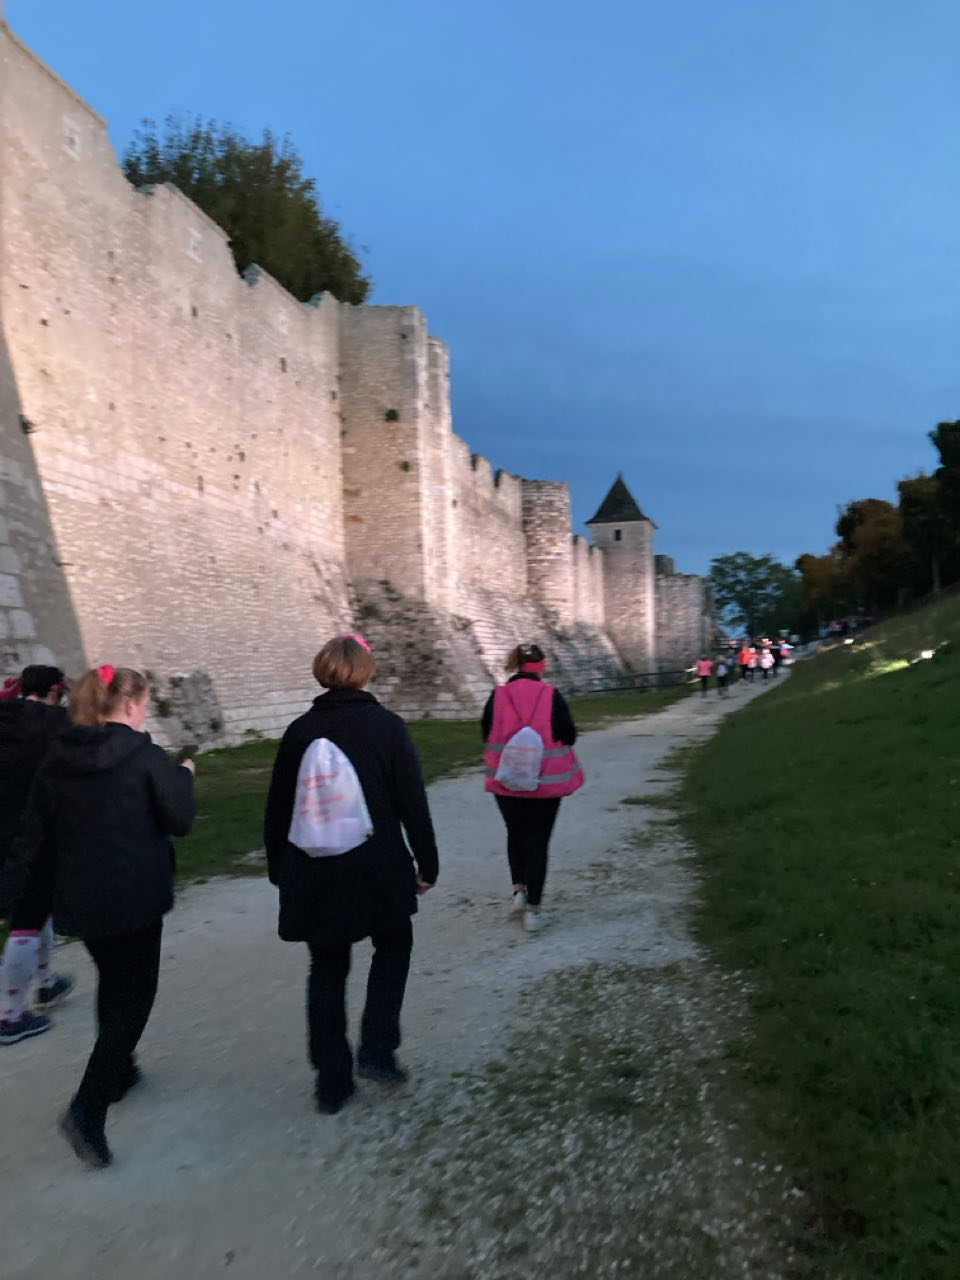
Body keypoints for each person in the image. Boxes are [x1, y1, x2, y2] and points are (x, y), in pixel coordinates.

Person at [12, 664, 195, 1167]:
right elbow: (179, 818)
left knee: (114, 983)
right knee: (134, 1000)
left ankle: (120, 1072)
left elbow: (38, 828)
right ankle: (87, 1108)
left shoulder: (57, 757)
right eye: (145, 704)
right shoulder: (146, 756)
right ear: (131, 705)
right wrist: (184, 776)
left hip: (82, 897)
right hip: (136, 896)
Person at [264, 635, 438, 1115]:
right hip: (376, 864)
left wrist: (280, 869)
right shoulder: (387, 728)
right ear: (365, 671)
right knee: (394, 945)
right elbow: (412, 803)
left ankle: (331, 1080)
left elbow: (278, 809)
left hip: (314, 869)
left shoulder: (299, 732)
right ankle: (377, 1048)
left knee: (327, 968)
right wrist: (427, 863)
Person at [482, 643, 583, 932]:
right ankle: (534, 911)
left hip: (505, 781)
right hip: (544, 783)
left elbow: (486, 731)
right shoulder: (551, 695)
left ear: (515, 664)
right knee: (538, 841)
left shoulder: (498, 695)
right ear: (541, 666)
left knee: (515, 834)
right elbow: (569, 734)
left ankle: (519, 891)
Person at [0, 664, 75, 1045]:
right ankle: (10, 1017)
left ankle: (46, 981)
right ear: (54, 691)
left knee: (39, 909)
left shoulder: (4, 717)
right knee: (27, 920)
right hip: (36, 833)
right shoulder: (60, 725)